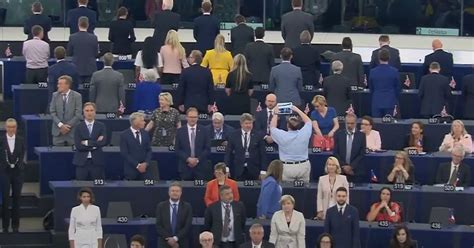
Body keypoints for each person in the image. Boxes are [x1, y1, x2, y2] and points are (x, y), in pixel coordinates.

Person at [270, 105, 312, 182]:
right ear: (299, 125)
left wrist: (275, 114)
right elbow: (309, 121)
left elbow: (272, 127)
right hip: (303, 166)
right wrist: (298, 110)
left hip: (287, 167)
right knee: (304, 192)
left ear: (287, 125)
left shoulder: (282, 135)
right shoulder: (304, 133)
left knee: (287, 191)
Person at [0, 119, 26, 233]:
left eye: (13, 127)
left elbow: (22, 155)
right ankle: (5, 226)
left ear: (16, 128)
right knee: (5, 200)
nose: (11, 129)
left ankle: (16, 226)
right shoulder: (1, 140)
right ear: (6, 127)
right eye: (9, 127)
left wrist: (18, 166)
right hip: (4, 173)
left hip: (17, 173)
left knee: (17, 199)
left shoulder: (21, 140)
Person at [225, 113, 266, 180]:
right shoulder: (233, 135)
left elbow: (263, 154)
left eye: (250, 123)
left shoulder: (258, 136)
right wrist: (226, 168)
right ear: (241, 124)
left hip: (254, 170)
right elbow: (228, 153)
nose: (248, 125)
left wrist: (263, 171)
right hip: (238, 169)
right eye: (246, 123)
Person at [72, 103, 107, 180]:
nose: (89, 113)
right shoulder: (78, 127)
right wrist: (95, 145)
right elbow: (78, 146)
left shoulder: (101, 126)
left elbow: (103, 142)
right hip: (81, 162)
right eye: (87, 110)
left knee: (98, 187)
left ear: (95, 112)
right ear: (83, 112)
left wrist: (87, 143)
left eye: (91, 110)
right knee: (81, 186)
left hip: (97, 161)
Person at [175, 107, 211, 180]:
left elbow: (207, 149)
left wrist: (197, 160)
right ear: (186, 117)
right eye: (191, 117)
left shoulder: (204, 130)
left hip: (200, 167)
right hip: (185, 167)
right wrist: (188, 159)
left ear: (197, 118)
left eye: (195, 117)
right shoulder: (180, 131)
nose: (193, 119)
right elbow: (177, 149)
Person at [156, 182, 193, 248]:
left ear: (181, 193)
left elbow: (187, 226)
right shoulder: (161, 206)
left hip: (181, 242)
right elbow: (158, 225)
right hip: (164, 242)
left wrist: (175, 238)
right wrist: (169, 239)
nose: (175, 193)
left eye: (177, 191)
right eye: (172, 191)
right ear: (169, 192)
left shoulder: (187, 207)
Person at [50, 75, 83, 146]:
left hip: (72, 132)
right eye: (58, 83)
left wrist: (67, 126)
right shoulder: (55, 95)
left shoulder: (77, 96)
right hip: (58, 132)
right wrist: (61, 125)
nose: (58, 86)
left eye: (60, 84)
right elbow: (52, 112)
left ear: (67, 85)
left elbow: (78, 114)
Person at [333, 113, 366, 183]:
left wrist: (351, 167)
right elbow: (335, 152)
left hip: (355, 172)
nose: (349, 125)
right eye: (348, 123)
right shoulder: (339, 134)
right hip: (341, 170)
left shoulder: (361, 136)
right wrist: (344, 166)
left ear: (356, 123)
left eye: (352, 123)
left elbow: (362, 153)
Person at [120, 112, 153, 180]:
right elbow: (124, 153)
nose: (144, 122)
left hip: (145, 170)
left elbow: (149, 150)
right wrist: (137, 165)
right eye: (142, 120)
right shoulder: (124, 135)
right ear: (135, 122)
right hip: (131, 170)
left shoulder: (145, 133)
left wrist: (146, 163)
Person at [369, 49, 400, 117]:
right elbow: (398, 88)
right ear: (389, 58)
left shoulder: (373, 72)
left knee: (376, 124)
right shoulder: (395, 71)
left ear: (378, 58)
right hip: (390, 102)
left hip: (377, 101)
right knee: (389, 125)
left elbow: (371, 88)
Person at [67, 16, 99, 84]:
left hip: (76, 67)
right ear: (88, 25)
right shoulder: (94, 38)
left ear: (78, 24)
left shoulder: (72, 37)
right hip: (90, 68)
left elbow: (69, 53)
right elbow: (96, 54)